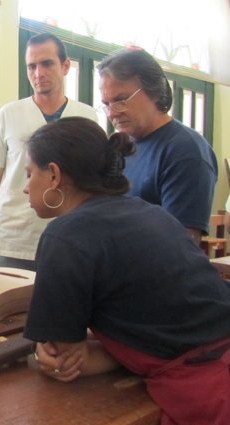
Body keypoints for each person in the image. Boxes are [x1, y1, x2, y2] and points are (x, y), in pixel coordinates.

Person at [22, 116, 230, 425]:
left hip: (207, 389)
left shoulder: (65, 235)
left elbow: (63, 357)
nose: (26, 188)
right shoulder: (152, 213)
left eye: (29, 174)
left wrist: (45, 355)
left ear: (54, 175)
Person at [0, 32, 98, 271]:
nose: (38, 73)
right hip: (15, 238)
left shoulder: (86, 117)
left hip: (72, 236)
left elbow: (94, 182)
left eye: (46, 63)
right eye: (31, 66)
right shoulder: (9, 114)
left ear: (65, 66)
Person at [97, 48, 218, 244]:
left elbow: (179, 244)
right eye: (106, 104)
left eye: (120, 100)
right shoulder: (121, 146)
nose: (112, 113)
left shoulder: (186, 150)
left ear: (153, 91)